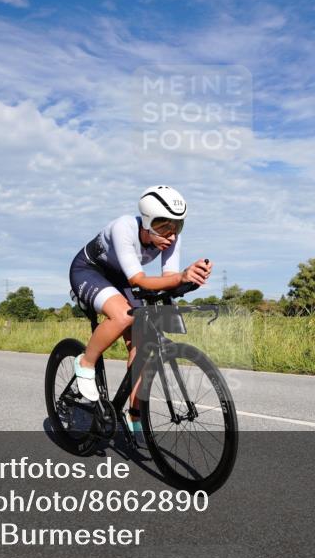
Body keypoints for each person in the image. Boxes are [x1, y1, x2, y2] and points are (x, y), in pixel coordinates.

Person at [68, 186, 211, 442]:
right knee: (124, 315)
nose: (171, 234)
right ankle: (85, 363)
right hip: (89, 271)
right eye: (163, 226)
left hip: (122, 278)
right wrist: (180, 277)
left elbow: (168, 279)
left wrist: (190, 279)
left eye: (177, 226)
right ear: (146, 221)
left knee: (144, 347)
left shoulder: (171, 239)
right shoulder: (124, 227)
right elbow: (139, 279)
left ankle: (135, 414)